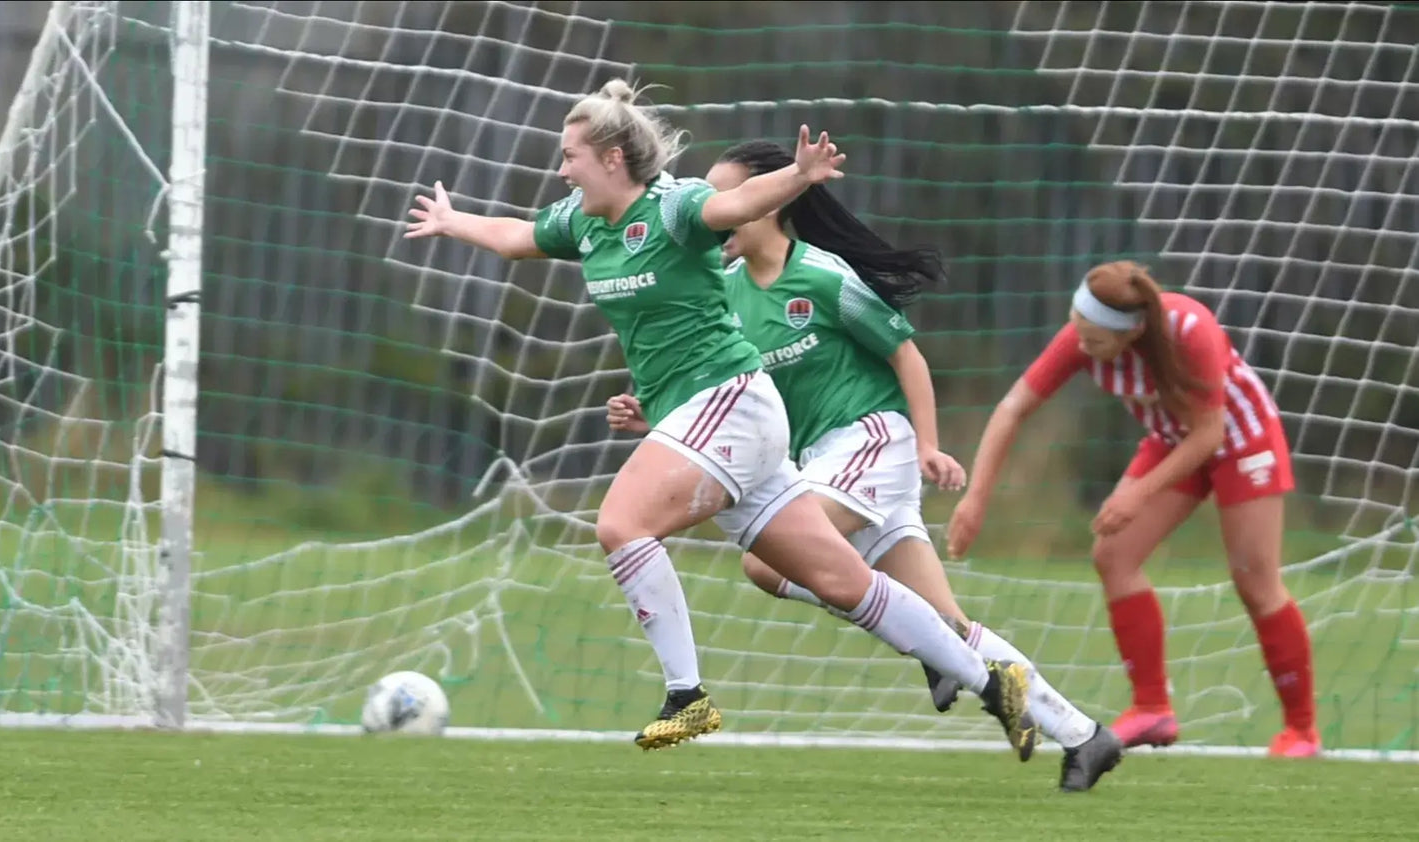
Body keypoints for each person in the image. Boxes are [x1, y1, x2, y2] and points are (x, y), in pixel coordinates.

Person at [403, 79, 1036, 757]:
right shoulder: (583, 221)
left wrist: (798, 175)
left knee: (621, 524)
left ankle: (687, 695)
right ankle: (987, 676)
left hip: (730, 400)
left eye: (570, 155)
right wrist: (453, 221)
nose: (561, 168)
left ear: (613, 157)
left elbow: (740, 202)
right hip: (713, 418)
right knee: (840, 582)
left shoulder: (674, 207)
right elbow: (516, 237)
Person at [606, 139, 1121, 792]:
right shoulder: (725, 294)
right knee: (948, 624)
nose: (716, 210)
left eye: (729, 197)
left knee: (766, 562)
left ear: (770, 203)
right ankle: (1084, 735)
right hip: (825, 462)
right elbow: (731, 401)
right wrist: (655, 423)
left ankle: (929, 647)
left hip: (874, 441)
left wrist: (930, 445)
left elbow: (907, 356)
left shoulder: (822, 276)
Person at [945, 260, 1320, 758]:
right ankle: (1152, 709)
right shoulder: (1082, 335)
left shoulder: (1191, 330)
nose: (1081, 346)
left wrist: (1136, 494)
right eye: (1077, 331)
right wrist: (976, 499)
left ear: (1135, 331)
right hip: (1172, 442)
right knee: (1114, 554)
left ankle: (1301, 731)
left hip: (1243, 441)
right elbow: (1014, 408)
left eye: (1095, 340)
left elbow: (1210, 432)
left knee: (1255, 579)